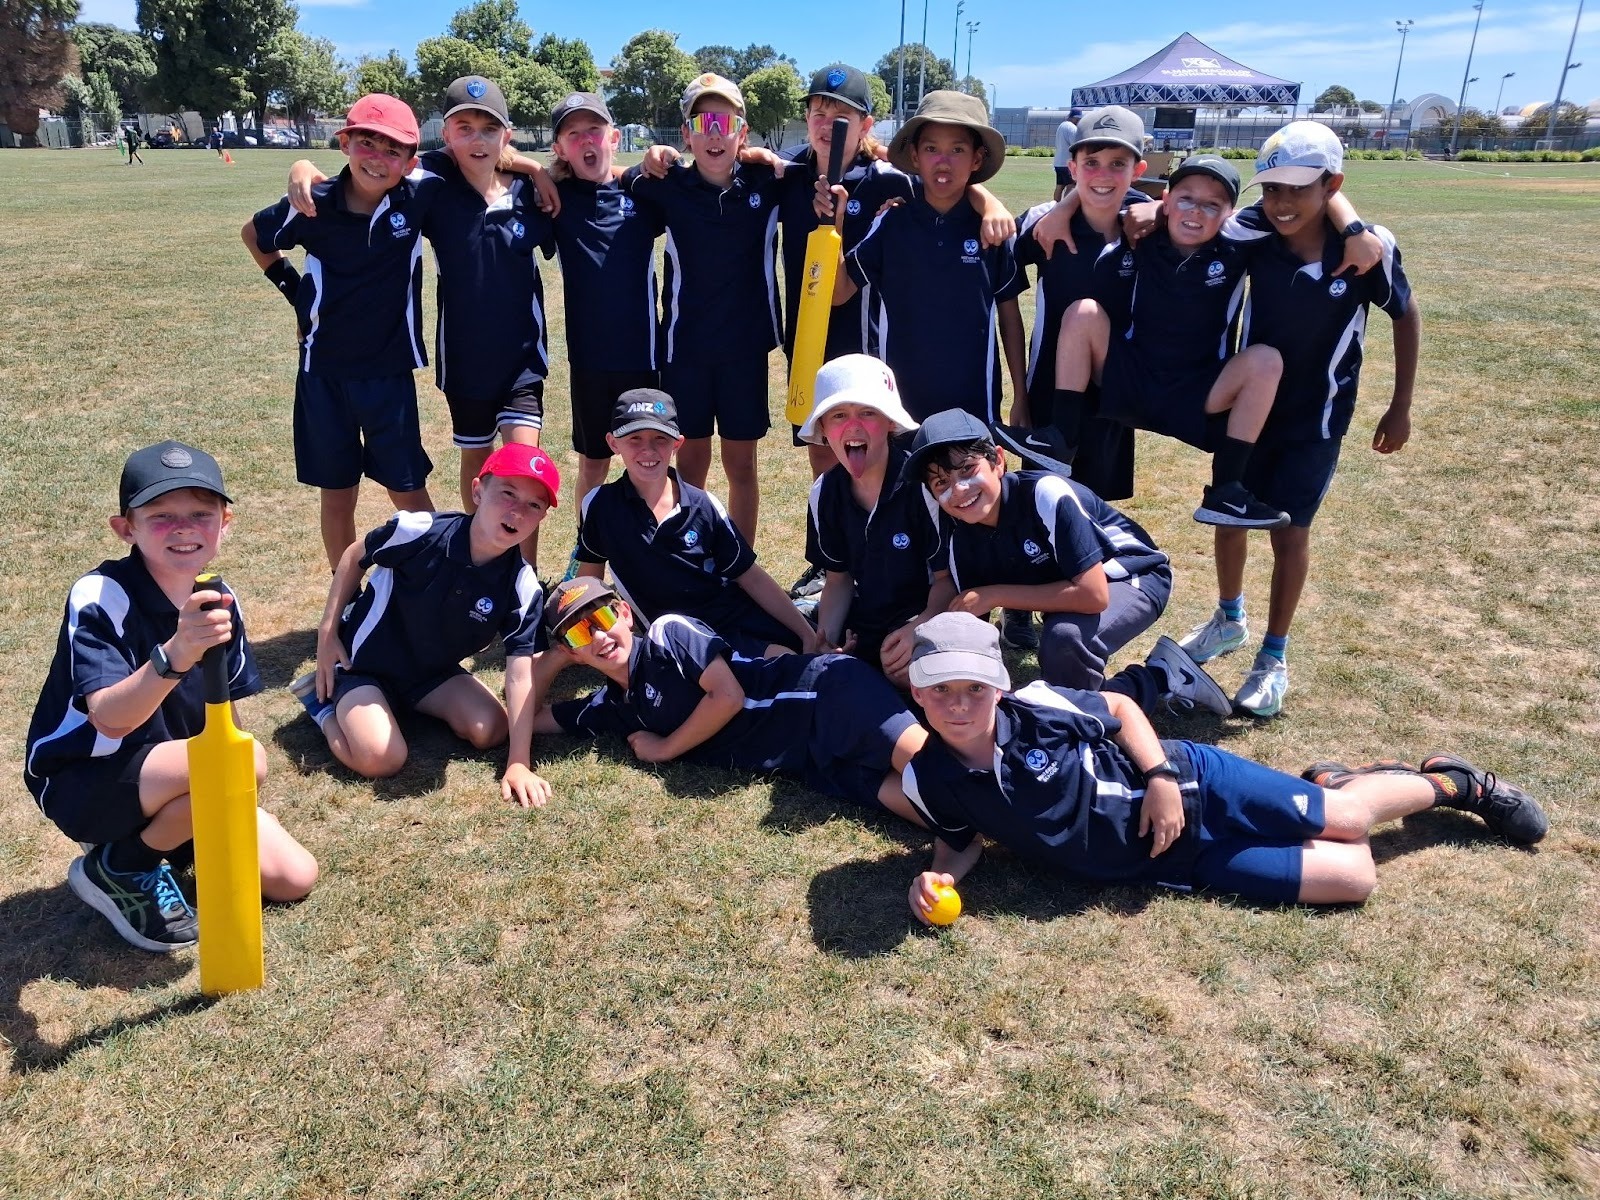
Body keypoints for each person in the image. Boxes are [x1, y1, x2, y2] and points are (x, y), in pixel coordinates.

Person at [899, 612, 1548, 924]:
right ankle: (1337, 782)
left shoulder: (1039, 705)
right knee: (1355, 878)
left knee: (1351, 822)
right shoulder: (928, 775)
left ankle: (1456, 784)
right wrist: (936, 878)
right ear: (918, 693)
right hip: (1178, 860)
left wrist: (1158, 779)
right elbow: (959, 842)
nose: (958, 706)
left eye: (974, 689)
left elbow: (1121, 708)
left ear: (1000, 686)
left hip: (1195, 784)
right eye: (940, 691)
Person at [24, 441, 319, 952]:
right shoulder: (101, 594)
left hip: (178, 773)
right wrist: (176, 653)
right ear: (126, 529)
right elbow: (110, 719)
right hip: (85, 779)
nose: (183, 528)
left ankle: (163, 828)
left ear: (225, 523)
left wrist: (225, 799)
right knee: (244, 760)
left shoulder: (220, 598)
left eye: (201, 514)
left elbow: (225, 713)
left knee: (294, 877)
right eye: (160, 516)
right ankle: (120, 865)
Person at [1179, 122, 1421, 718]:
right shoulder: (1256, 231)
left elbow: (1405, 316)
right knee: (1228, 515)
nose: (1282, 202)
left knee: (1291, 534)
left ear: (1331, 185)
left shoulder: (1369, 250)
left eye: (1298, 189)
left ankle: (1273, 656)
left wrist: (1401, 405)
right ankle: (1228, 618)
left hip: (1318, 418)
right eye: (1272, 188)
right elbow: (1196, 217)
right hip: (1250, 412)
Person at [284, 77, 561, 565]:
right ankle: (479, 567)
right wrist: (302, 166)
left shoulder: (528, 194)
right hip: (464, 362)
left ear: (507, 134)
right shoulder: (432, 186)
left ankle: (523, 579)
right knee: (480, 469)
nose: (477, 139)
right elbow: (366, 174)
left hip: (523, 361)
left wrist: (536, 169)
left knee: (522, 471)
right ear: (445, 134)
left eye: (489, 129)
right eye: (463, 128)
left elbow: (578, 176)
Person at [904, 409, 1228, 715]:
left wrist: (994, 595)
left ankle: (1158, 680)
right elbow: (970, 626)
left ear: (998, 461)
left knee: (1065, 640)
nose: (959, 489)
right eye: (941, 482)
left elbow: (1093, 595)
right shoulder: (957, 535)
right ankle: (1094, 704)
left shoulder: (1045, 493)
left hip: (1129, 576)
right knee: (1059, 669)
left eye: (967, 469)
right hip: (1070, 586)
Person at [290, 443, 555, 807]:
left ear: (542, 518)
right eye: (507, 493)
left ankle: (398, 707)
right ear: (478, 491)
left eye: (534, 505)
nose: (517, 512)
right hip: (363, 666)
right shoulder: (419, 530)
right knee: (382, 759)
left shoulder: (522, 586)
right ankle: (321, 706)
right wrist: (327, 633)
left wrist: (519, 763)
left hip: (431, 675)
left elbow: (520, 674)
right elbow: (354, 555)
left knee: (491, 730)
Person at [532, 578, 926, 819]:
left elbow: (727, 696)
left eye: (602, 619)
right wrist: (555, 659)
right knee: (938, 811)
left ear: (624, 613)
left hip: (829, 695)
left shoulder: (667, 635)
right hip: (812, 761)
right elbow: (529, 718)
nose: (599, 637)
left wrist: (665, 748)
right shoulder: (612, 706)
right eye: (579, 634)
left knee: (939, 777)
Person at [241, 93, 435, 570]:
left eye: (393, 150)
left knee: (407, 487)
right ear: (345, 143)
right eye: (367, 142)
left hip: (388, 371)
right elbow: (253, 236)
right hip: (323, 372)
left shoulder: (416, 197)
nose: (379, 158)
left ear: (410, 161)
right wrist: (295, 292)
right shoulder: (314, 202)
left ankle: (439, 579)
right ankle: (345, 592)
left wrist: (533, 171)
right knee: (337, 492)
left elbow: (473, 157)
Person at [623, 73, 783, 544]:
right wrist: (648, 157)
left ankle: (741, 564)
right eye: (702, 122)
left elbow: (824, 164)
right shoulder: (667, 184)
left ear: (742, 132)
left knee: (741, 466)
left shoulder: (768, 181)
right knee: (691, 463)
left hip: (744, 349)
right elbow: (615, 180)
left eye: (725, 122)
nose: (714, 134)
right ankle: (691, 554)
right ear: (686, 134)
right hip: (685, 348)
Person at [570, 388, 818, 658]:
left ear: (677, 444)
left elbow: (750, 576)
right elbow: (589, 582)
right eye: (634, 438)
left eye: (660, 439)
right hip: (680, 643)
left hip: (735, 618)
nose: (648, 450)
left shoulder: (703, 505)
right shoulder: (599, 505)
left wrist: (807, 633)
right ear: (613, 443)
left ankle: (807, 617)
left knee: (811, 656)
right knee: (777, 663)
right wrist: (582, 638)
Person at [832, 90, 1028, 426]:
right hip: (902, 408)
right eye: (931, 148)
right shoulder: (891, 222)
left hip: (973, 406)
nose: (943, 161)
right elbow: (839, 293)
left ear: (977, 159)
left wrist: (1020, 396)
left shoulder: (992, 230)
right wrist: (834, 223)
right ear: (915, 155)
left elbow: (1010, 318)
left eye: (958, 150)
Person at [1011, 106, 1149, 503]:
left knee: (1093, 511)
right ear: (1072, 167)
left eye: (1117, 163)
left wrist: (1158, 207)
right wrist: (1019, 394)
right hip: (1047, 397)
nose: (1103, 174)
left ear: (1137, 170)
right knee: (1041, 506)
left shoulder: (1148, 229)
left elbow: (1212, 214)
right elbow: (987, 259)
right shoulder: (1044, 224)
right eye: (1091, 163)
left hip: (1110, 403)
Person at [798, 355, 953, 688]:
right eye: (839, 415)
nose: (853, 426)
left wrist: (918, 628)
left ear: (890, 422)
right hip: (869, 619)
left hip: (929, 615)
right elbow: (838, 580)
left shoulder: (923, 486)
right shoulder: (824, 492)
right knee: (803, 654)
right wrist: (827, 641)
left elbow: (948, 581)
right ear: (823, 429)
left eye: (868, 412)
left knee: (910, 672)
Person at [543, 91, 665, 511]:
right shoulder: (555, 200)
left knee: (649, 459)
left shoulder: (642, 193)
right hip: (590, 359)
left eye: (594, 130)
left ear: (613, 137)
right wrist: (534, 170)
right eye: (573, 134)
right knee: (593, 464)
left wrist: (658, 155)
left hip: (643, 357)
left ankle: (651, 541)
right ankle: (586, 543)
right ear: (560, 149)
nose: (586, 140)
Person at [1051, 107, 1081, 201]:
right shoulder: (1072, 128)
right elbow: (1075, 145)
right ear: (1074, 117)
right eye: (1078, 119)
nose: (1078, 121)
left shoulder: (1062, 126)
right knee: (1071, 185)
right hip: (1067, 163)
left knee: (1059, 187)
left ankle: (1055, 205)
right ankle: (1066, 206)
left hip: (1058, 162)